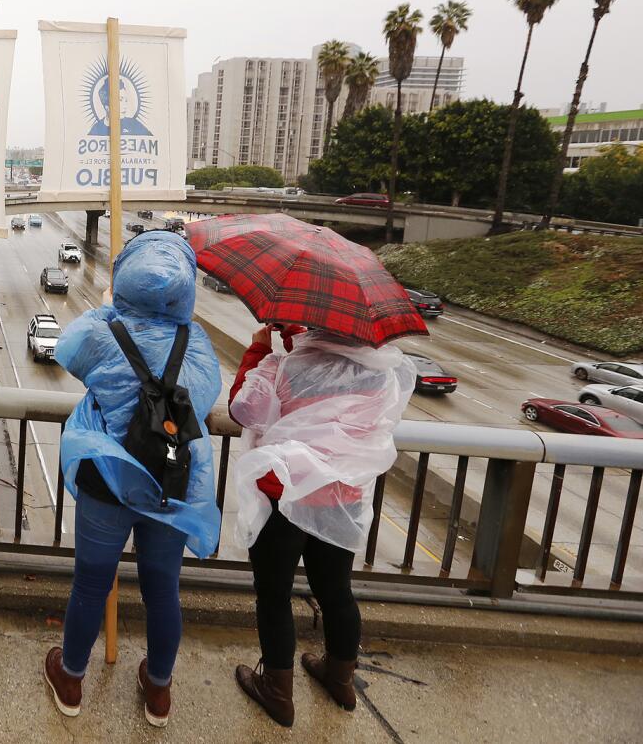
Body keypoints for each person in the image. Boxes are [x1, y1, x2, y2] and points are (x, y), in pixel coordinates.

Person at [42, 230, 222, 728]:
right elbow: (202, 401)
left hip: (107, 478)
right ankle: (158, 692)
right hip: (168, 480)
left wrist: (107, 310)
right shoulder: (197, 343)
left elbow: (68, 350)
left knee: (91, 584)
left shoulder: (104, 332)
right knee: (163, 589)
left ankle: (72, 677)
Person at [228, 324, 414, 727]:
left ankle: (278, 691)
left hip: (287, 495)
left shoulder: (285, 367)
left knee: (274, 594)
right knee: (336, 592)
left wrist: (258, 352)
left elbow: (244, 408)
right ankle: (340, 678)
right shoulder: (378, 373)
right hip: (340, 496)